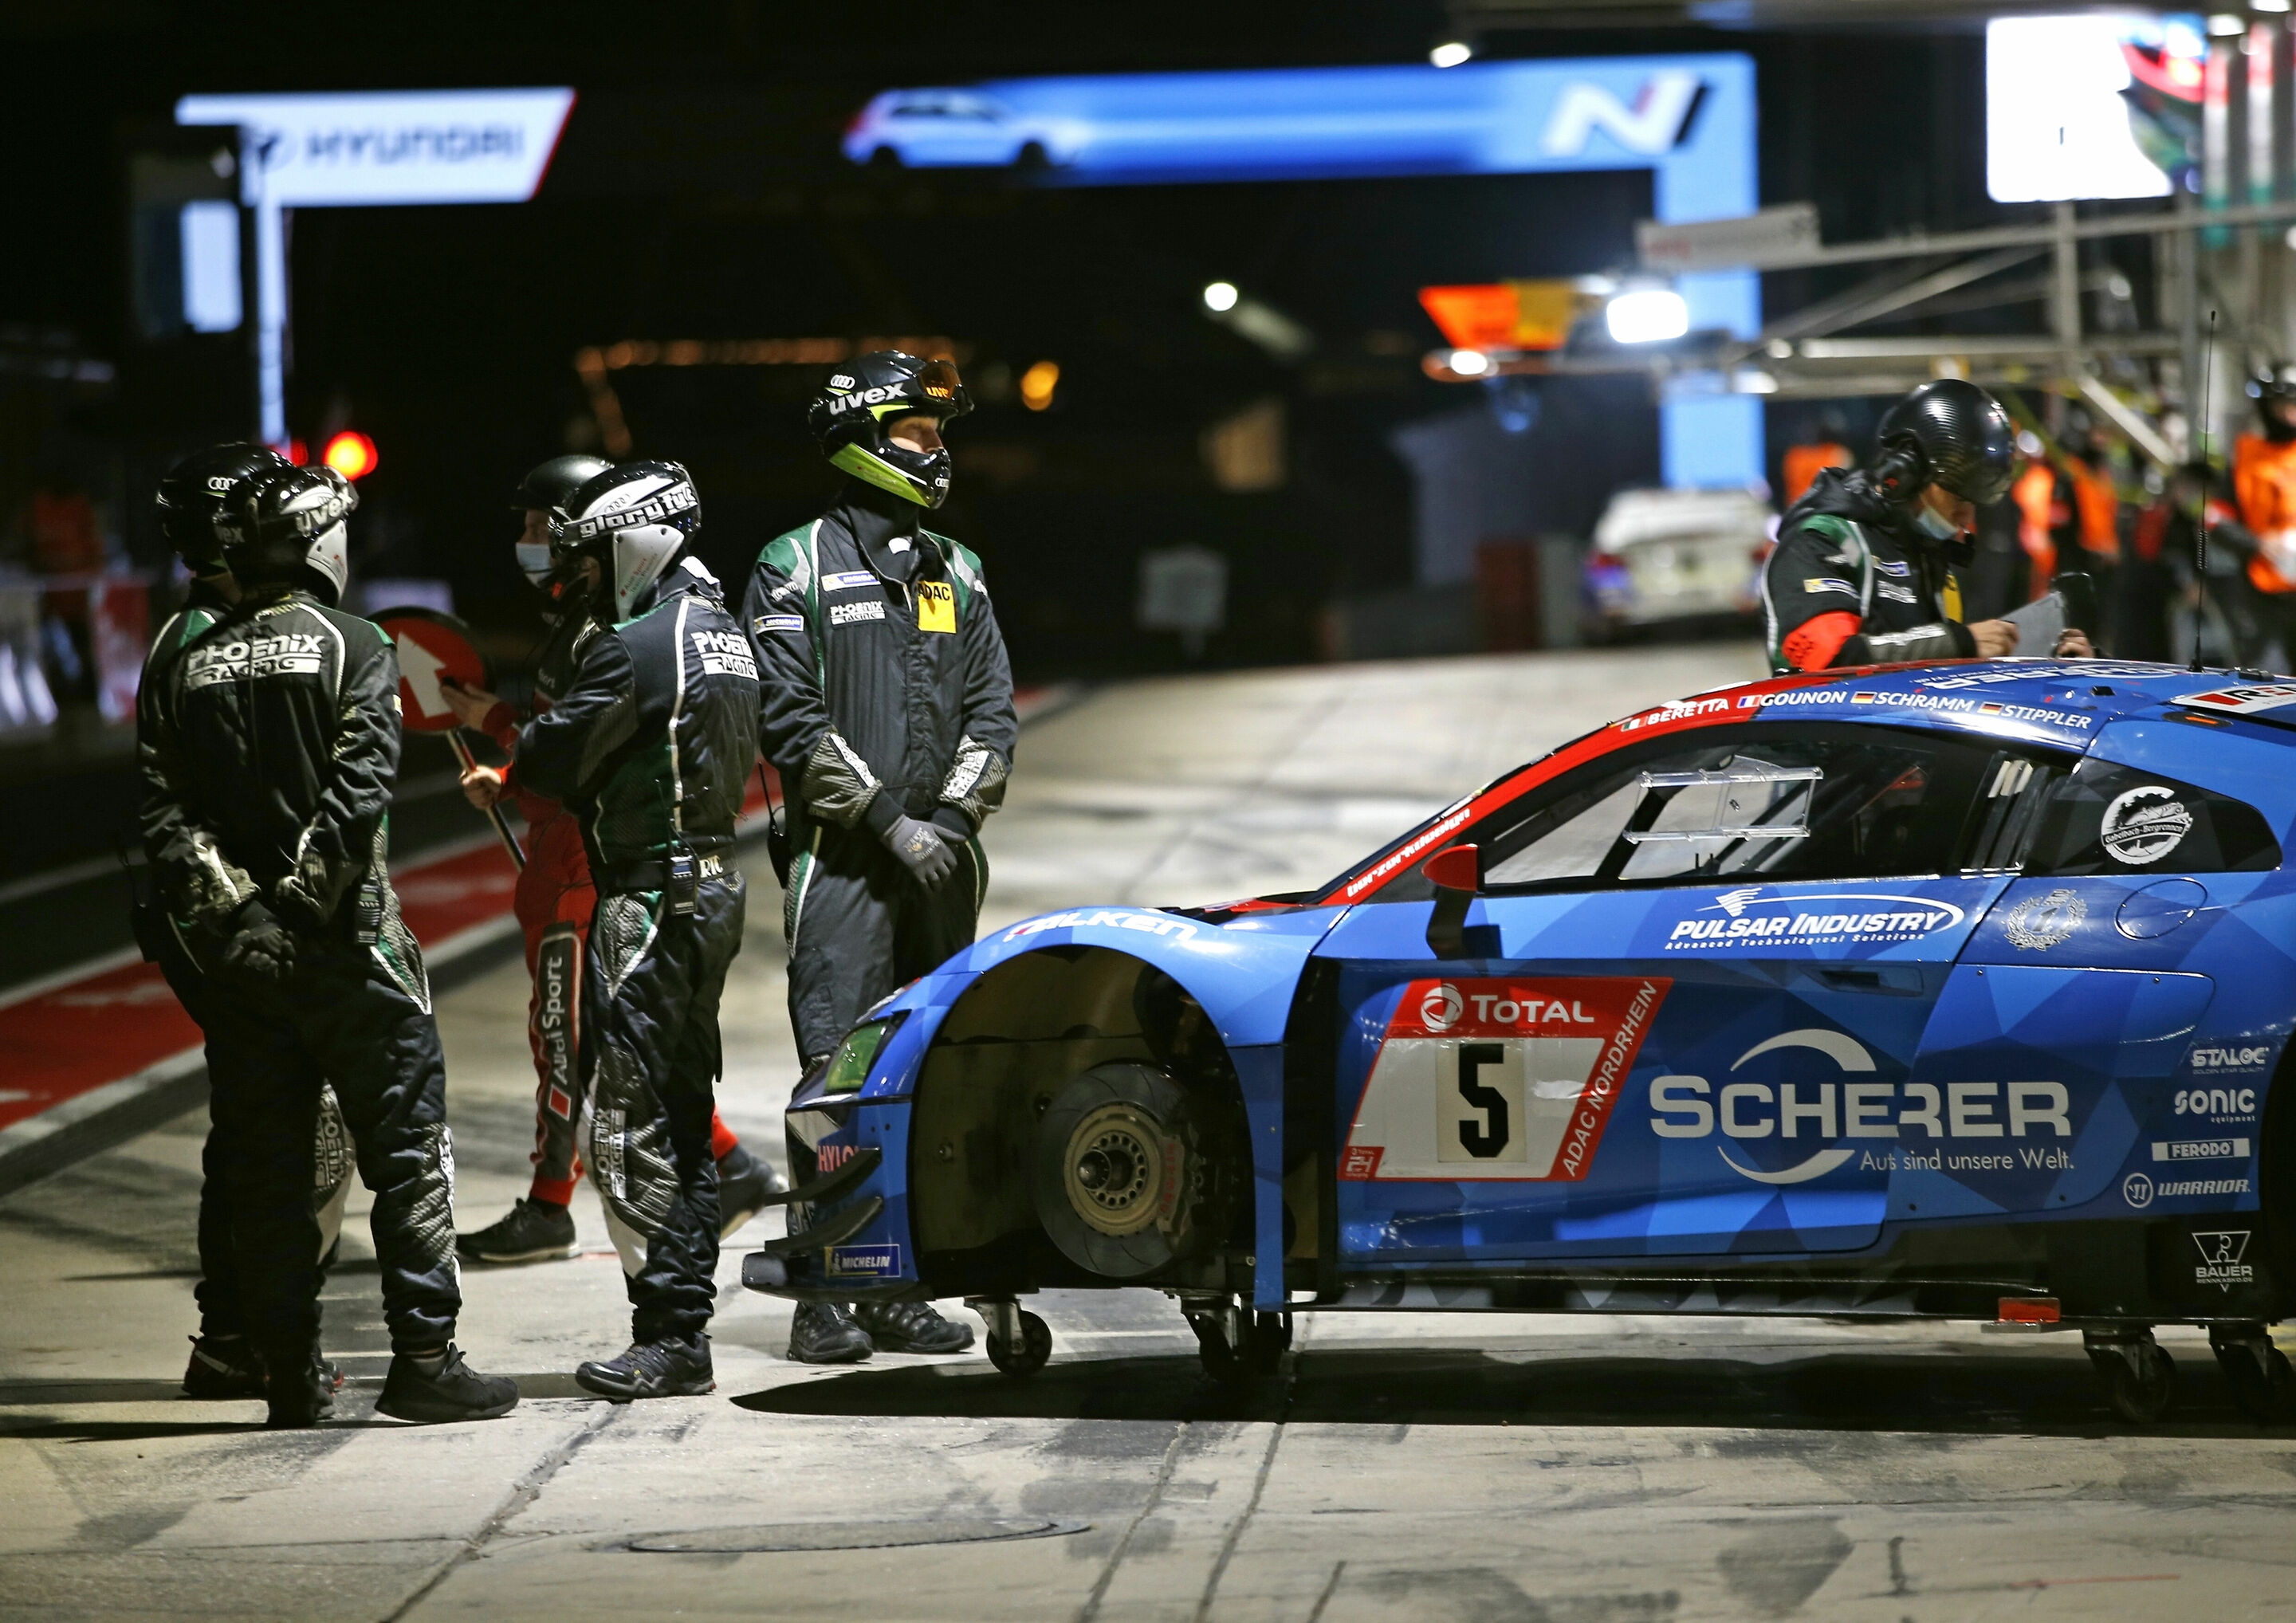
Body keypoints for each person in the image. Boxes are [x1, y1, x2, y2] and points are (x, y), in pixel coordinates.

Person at [139, 462, 517, 1428]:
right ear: (315, 544)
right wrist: (304, 910)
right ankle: (424, 1359)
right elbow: (355, 804)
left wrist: (246, 921)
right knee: (408, 1154)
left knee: (266, 1171)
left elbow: (168, 817)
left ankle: (289, 1377)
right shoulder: (354, 644)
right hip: (355, 953)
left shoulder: (177, 656)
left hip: (245, 967)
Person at [745, 351, 1016, 1365]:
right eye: (918, 432)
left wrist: (948, 820)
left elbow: (993, 710)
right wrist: (885, 822)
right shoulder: (793, 563)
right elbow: (790, 717)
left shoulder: (959, 567)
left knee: (931, 1074)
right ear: (862, 437)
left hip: (944, 867)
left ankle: (899, 1286)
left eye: (939, 433)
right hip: (844, 870)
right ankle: (823, 1296)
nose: (936, 449)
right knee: (836, 1075)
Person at [448, 457, 781, 1267]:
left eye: (549, 528)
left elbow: (570, 745)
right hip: (696, 875)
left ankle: (603, 1239)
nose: (539, 545)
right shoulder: (707, 624)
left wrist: (506, 744)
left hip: (610, 869)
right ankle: (720, 1186)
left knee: (596, 1061)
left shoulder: (632, 635)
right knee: (655, 1061)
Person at [510, 461, 757, 1400]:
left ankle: (668, 1333)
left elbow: (549, 755)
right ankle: (683, 1321)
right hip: (715, 886)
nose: (576, 569)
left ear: (636, 541)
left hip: (646, 895)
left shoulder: (633, 646)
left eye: (592, 550)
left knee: (626, 1125)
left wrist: (539, 744)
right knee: (685, 1113)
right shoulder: (724, 632)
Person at [143, 443, 359, 1404]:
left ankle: (241, 1330)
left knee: (255, 1126)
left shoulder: (222, 626)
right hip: (224, 920)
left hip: (232, 915)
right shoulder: (200, 639)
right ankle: (240, 1333)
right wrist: (256, 925)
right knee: (266, 1127)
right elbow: (183, 813)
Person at [1762, 378, 2094, 674]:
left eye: (1974, 501)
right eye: (1958, 496)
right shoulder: (1822, 541)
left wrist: (2051, 661)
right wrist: (1962, 643)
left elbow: (1929, 680)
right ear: (1906, 474)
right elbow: (1824, 662)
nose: (1967, 515)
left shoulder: (1926, 559)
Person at [2231, 364, 2296, 669]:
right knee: (2268, 677)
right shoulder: (2245, 454)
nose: (2290, 412)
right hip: (2261, 591)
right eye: (2284, 404)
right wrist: (2256, 543)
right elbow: (2216, 517)